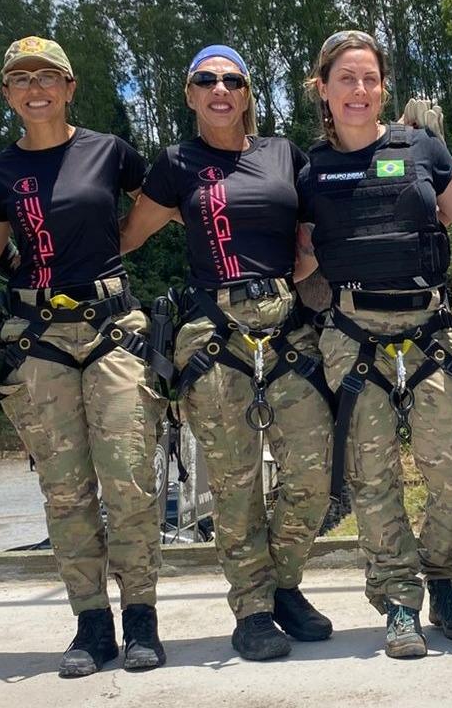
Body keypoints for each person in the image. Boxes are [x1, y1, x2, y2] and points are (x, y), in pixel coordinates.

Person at [120, 45, 335, 661]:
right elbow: (124, 239)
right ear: (189, 94)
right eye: (206, 80)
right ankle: (253, 609)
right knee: (236, 484)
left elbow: (320, 219)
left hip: (286, 327)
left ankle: (283, 583)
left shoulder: (283, 156)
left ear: (248, 93)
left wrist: (308, 263)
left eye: (232, 80)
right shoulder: (174, 165)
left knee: (313, 474)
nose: (220, 90)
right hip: (213, 332)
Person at [0, 36, 167, 676]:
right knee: (65, 492)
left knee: (130, 480)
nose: (36, 88)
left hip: (112, 327)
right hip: (39, 339)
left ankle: (141, 615)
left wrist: (114, 254)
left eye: (48, 76)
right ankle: (91, 623)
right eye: (21, 79)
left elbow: (158, 204)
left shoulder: (109, 151)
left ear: (69, 86)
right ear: (8, 94)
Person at [299, 29, 452, 658]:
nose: (359, 90)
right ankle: (400, 601)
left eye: (369, 78)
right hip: (354, 337)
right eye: (345, 78)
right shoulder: (308, 171)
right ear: (322, 90)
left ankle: (447, 581)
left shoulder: (421, 150)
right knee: (371, 478)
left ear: (384, 86)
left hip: (429, 331)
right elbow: (297, 261)